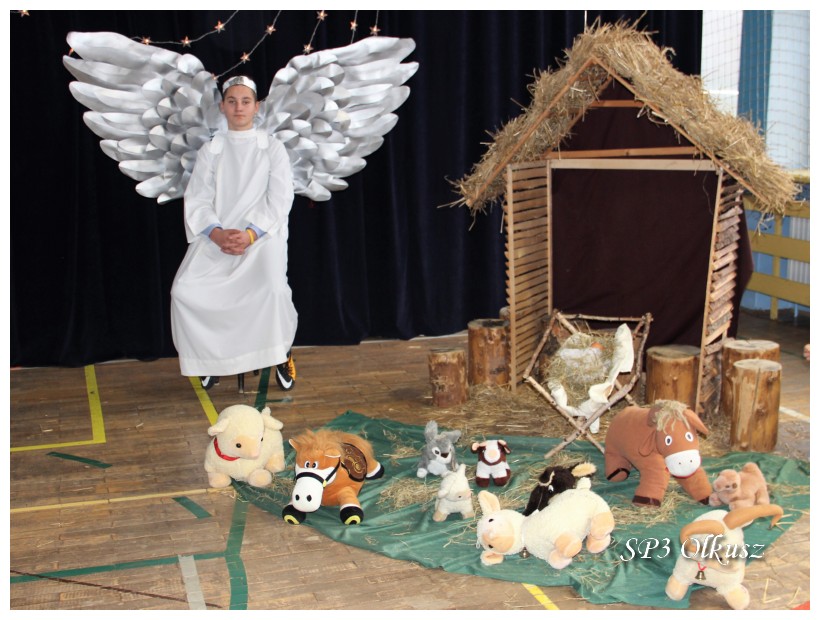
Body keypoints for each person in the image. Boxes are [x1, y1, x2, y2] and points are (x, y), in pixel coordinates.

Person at [170, 75, 297, 391]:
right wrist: (216, 234)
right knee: (184, 291)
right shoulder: (211, 150)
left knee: (272, 290)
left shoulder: (272, 148)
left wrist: (251, 234)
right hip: (218, 240)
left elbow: (280, 199)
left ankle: (280, 352)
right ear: (222, 107)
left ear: (256, 107)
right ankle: (209, 358)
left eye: (245, 101)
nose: (239, 107)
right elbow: (198, 199)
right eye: (232, 101)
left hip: (262, 239)